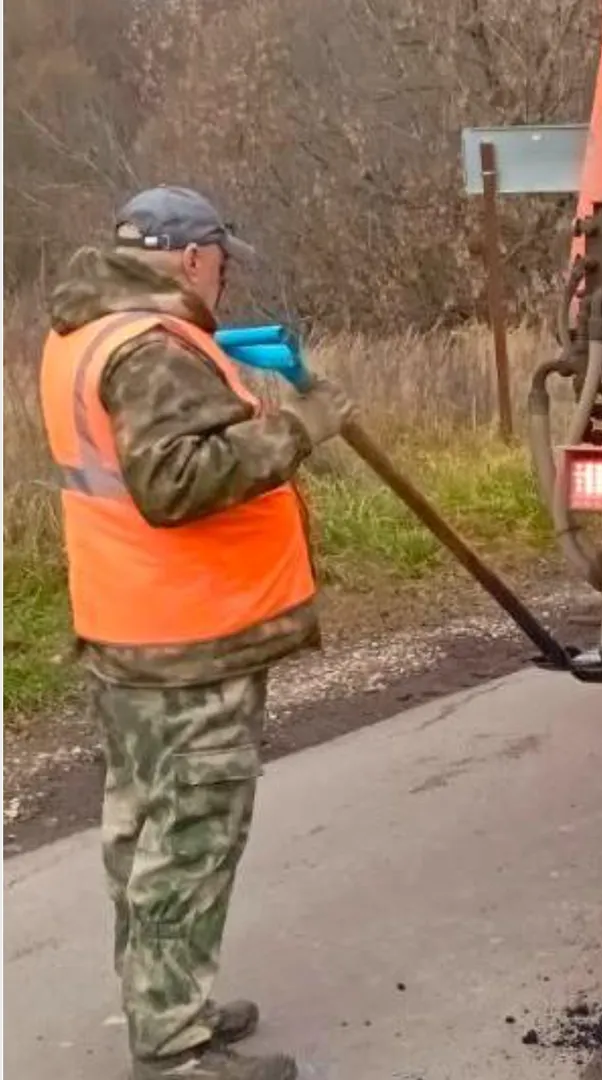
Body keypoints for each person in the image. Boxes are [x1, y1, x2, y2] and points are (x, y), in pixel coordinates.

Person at [38, 186, 355, 1080]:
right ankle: (174, 1050)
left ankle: (168, 1003)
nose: (222, 279)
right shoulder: (149, 350)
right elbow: (175, 483)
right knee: (188, 839)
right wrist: (298, 429)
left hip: (131, 625)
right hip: (188, 641)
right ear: (190, 257)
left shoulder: (86, 332)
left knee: (145, 832)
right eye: (220, 261)